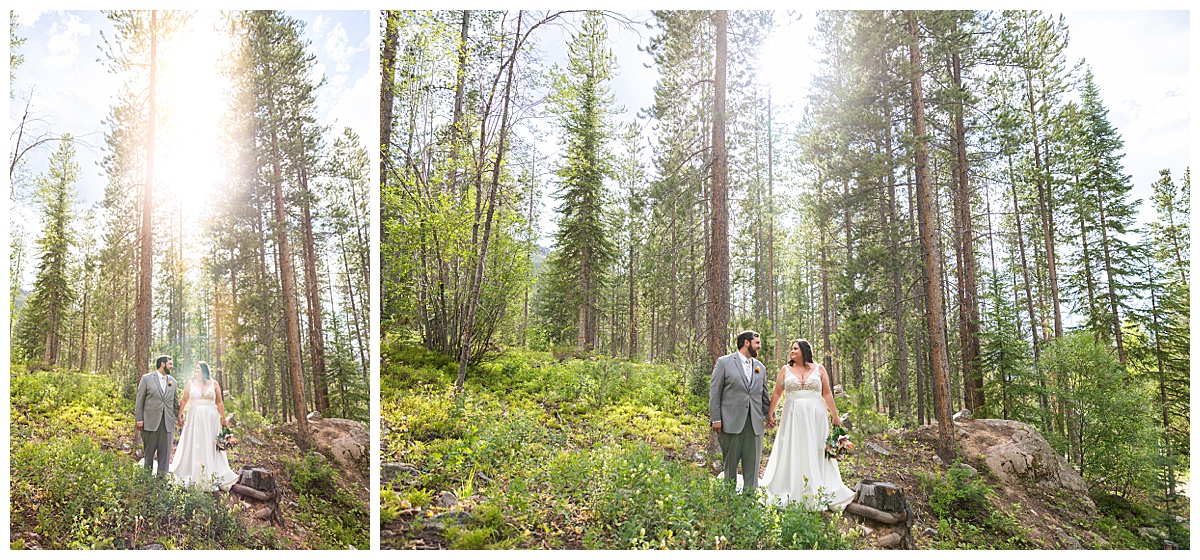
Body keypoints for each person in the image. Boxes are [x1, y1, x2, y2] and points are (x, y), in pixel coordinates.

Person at [758, 339, 855, 511]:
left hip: (816, 416)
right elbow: (777, 392)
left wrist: (835, 415)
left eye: (795, 348)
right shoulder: (785, 370)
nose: (791, 351)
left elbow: (827, 393)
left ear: (804, 350)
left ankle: (818, 488)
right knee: (793, 447)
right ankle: (792, 487)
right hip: (793, 416)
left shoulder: (819, 369)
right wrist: (770, 413)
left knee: (816, 448)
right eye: (791, 349)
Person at [709, 330, 774, 495]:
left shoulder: (760, 367)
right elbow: (715, 393)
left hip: (754, 425)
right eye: (757, 343)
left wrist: (770, 416)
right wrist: (716, 418)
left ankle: (749, 502)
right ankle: (728, 501)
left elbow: (763, 397)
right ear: (747, 342)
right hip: (730, 423)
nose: (759, 346)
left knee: (752, 465)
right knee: (730, 465)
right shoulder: (724, 362)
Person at [169, 361, 239, 491]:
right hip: (194, 417)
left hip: (211, 418)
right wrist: (179, 415)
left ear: (204, 371)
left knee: (210, 442)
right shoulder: (190, 384)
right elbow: (184, 400)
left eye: (198, 369)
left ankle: (211, 473)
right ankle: (193, 472)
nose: (196, 371)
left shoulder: (214, 384)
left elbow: (219, 402)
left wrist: (224, 418)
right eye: (195, 369)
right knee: (195, 442)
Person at [135, 355, 180, 476]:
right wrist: (139, 420)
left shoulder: (173, 382)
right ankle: (147, 481)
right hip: (150, 423)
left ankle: (162, 483)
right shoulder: (147, 379)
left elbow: (175, 404)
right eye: (170, 364)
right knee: (149, 454)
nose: (172, 366)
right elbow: (140, 401)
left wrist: (180, 417)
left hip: (167, 425)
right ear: (163, 364)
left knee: (165, 456)